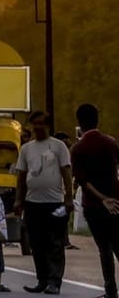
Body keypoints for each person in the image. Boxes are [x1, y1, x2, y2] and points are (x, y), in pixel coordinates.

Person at [14, 111, 73, 295]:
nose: (37, 127)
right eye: (34, 124)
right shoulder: (26, 149)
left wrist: (69, 198)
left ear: (48, 125)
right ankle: (42, 279)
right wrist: (18, 200)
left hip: (55, 203)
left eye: (41, 124)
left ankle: (55, 281)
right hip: (33, 203)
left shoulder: (58, 146)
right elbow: (21, 176)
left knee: (55, 243)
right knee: (37, 243)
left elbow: (66, 172)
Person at [70, 104, 119, 298]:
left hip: (94, 204)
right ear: (97, 120)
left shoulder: (78, 148)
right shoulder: (110, 142)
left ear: (79, 123)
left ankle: (111, 291)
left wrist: (102, 198)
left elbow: (82, 180)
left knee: (104, 249)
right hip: (116, 202)